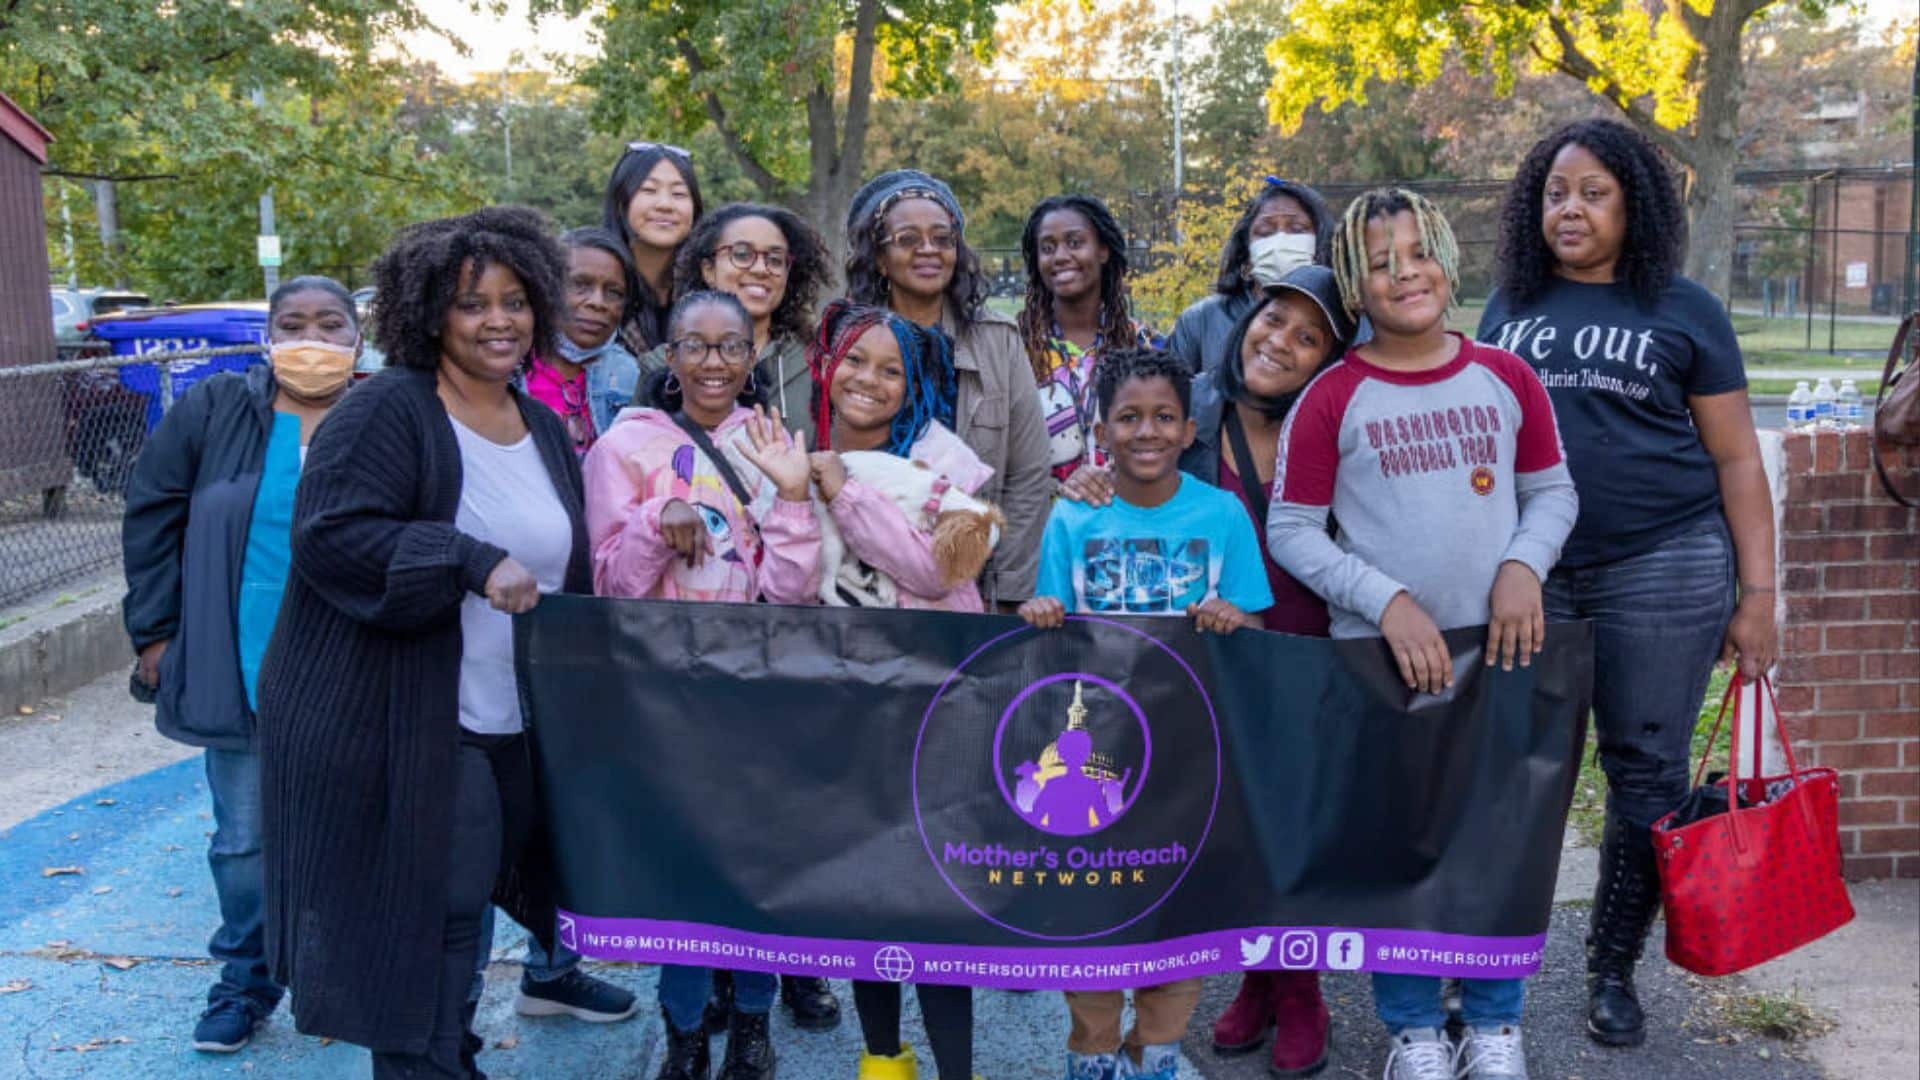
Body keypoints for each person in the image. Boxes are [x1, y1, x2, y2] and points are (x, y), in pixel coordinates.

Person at [256, 207, 592, 1079]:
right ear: (430, 311)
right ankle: (428, 1069)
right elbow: (330, 535)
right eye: (472, 302)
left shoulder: (541, 424)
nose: (498, 321)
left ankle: (451, 1055)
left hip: (509, 715)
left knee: (466, 904)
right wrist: (467, 559)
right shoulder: (387, 410)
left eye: (515, 301)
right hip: (408, 718)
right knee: (434, 915)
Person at [1480, 118, 1778, 1050]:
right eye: (1556, 191)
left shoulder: (1684, 309)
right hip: (1538, 574)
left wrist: (1761, 594)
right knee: (1525, 775)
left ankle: (1611, 969)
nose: (1569, 208)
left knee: (1644, 774)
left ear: (1632, 203)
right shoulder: (1509, 305)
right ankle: (1494, 974)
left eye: (1592, 191)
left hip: (1666, 562)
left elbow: (1735, 460)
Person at [1266, 189, 1578, 1080]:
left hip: (1501, 656)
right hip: (1381, 662)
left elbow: (1553, 491)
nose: (1406, 272)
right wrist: (1388, 599)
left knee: (1494, 838)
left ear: (1447, 257)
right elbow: (1292, 527)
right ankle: (1411, 1029)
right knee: (1400, 842)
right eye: (1381, 260)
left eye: (1419, 251)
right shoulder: (1333, 396)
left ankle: (1493, 1024)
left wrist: (1524, 565)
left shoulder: (1505, 377)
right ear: (1357, 286)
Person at [1057, 266, 1351, 1075]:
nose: (1280, 342)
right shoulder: (1195, 409)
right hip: (1189, 658)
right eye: (1273, 320)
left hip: (1298, 631)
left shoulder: (1330, 421)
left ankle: (1297, 990)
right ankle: (1252, 985)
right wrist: (1087, 478)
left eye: (1308, 336)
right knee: (1212, 824)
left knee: (1285, 821)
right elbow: (1129, 467)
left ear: (1330, 358)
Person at [120, 275, 361, 1055]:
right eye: (293, 323)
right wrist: (155, 633)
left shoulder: (385, 411)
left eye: (330, 324)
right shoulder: (219, 409)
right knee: (245, 839)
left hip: (356, 667)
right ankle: (247, 980)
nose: (312, 339)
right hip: (241, 658)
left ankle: (345, 973)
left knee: (355, 825)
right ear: (267, 336)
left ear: (358, 339)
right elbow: (152, 511)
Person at [582, 290, 819, 1080]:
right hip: (663, 693)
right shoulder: (623, 446)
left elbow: (791, 589)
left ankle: (752, 1024)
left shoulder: (771, 438)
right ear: (669, 356)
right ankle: (685, 1029)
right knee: (680, 868)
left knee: (753, 865)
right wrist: (658, 519)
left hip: (754, 688)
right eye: (696, 346)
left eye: (731, 347)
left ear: (753, 356)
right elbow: (610, 584)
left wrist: (790, 497)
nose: (714, 363)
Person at [1018, 348, 1273, 1080]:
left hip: (1193, 753)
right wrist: (1040, 610)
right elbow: (1051, 624)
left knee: (1179, 905)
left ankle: (1156, 1046)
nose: (1147, 431)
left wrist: (1231, 618)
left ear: (1189, 427)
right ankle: (1092, 1048)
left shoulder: (1222, 514)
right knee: (1094, 905)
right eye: (1129, 417)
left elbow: (1255, 631)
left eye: (1164, 416)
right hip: (1097, 751)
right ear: (1102, 431)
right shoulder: (1075, 516)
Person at [795, 299, 984, 1078]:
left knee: (936, 909)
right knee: (861, 902)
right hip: (834, 714)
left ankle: (958, 1071)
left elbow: (945, 568)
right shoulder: (787, 454)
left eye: (892, 369)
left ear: (916, 386)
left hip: (930, 709)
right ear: (826, 367)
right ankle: (883, 1062)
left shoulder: (950, 464)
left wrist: (845, 494)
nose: (870, 380)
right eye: (856, 361)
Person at [843, 168, 1050, 609]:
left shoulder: (998, 341)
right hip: (864, 592)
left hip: (973, 587)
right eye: (907, 239)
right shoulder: (845, 345)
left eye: (942, 238)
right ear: (879, 257)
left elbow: (1028, 477)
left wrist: (1006, 593)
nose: (928, 251)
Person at [1015, 194, 1162, 487]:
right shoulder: (1016, 347)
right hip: (1043, 523)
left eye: (1074, 243)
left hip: (1123, 518)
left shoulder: (1144, 346)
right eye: (1047, 248)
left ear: (1103, 250)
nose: (1059, 256)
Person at [667, 202, 832, 453]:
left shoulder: (816, 363)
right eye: (742, 255)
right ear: (709, 270)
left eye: (775, 260)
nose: (760, 269)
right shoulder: (664, 363)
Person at [1165, 177, 1334, 375]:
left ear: (1321, 243)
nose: (1280, 240)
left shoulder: (1350, 324)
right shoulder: (1199, 323)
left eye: (1296, 229)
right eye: (1265, 231)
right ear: (1247, 251)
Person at [520, 226, 644, 456]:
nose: (598, 302)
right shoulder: (510, 371)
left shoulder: (632, 378)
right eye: (580, 285)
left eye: (614, 292)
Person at [602, 140, 703, 353]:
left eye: (679, 194)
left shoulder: (709, 287)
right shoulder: (595, 283)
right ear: (621, 203)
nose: (665, 205)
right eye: (649, 190)